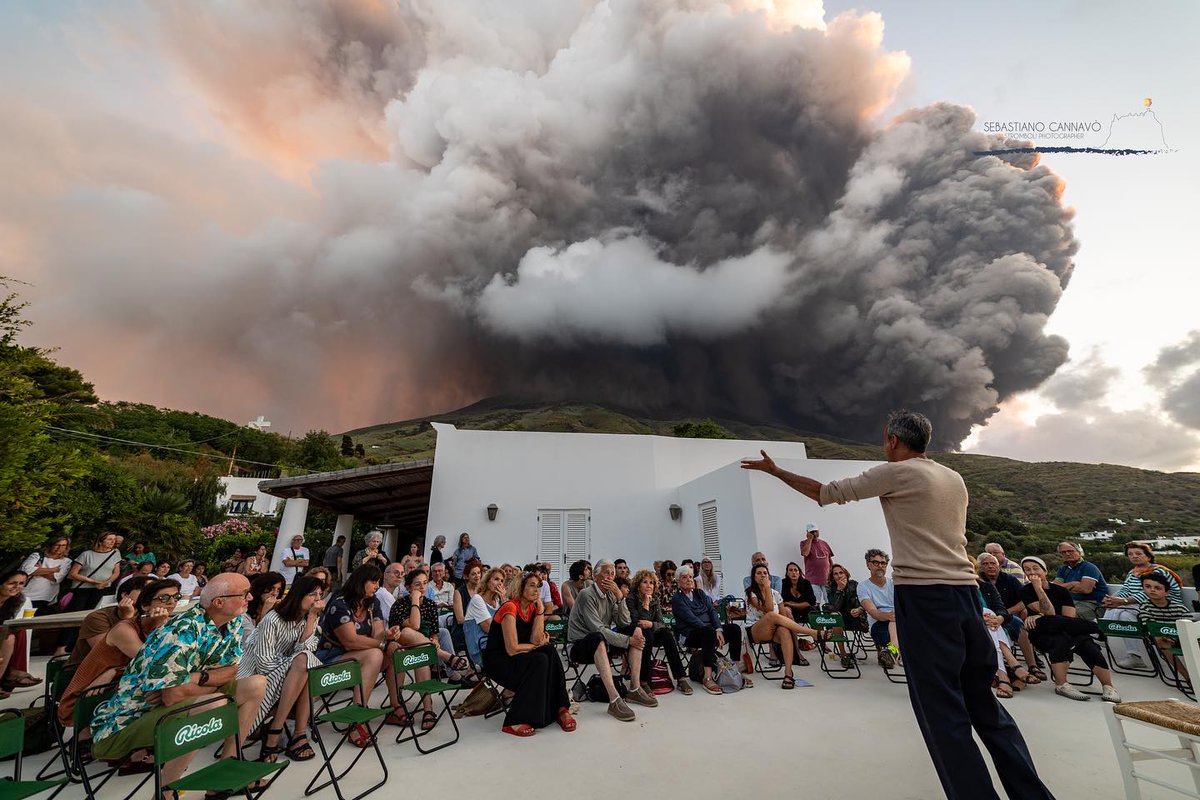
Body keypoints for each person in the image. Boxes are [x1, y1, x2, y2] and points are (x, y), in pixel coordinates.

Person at [743, 409, 1055, 800]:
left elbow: (826, 494)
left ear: (892, 440)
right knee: (985, 707)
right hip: (965, 594)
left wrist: (776, 472)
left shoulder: (897, 472)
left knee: (943, 714)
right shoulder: (953, 477)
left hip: (925, 598)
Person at [90, 573, 266, 797]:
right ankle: (165, 792)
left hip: (171, 707)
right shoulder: (181, 630)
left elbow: (231, 672)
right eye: (243, 594)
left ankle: (226, 770)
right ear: (218, 602)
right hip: (125, 723)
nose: (250, 597)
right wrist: (203, 681)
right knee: (214, 704)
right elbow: (173, 696)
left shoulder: (232, 624)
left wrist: (195, 678)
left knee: (256, 684)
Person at [59, 579, 180, 736]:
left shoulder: (164, 624)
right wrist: (161, 628)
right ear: (145, 606)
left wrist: (113, 671)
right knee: (168, 693)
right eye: (164, 598)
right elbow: (154, 665)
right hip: (87, 698)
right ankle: (99, 740)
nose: (171, 602)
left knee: (172, 690)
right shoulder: (125, 628)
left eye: (176, 597)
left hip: (119, 686)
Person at [241, 574, 325, 764]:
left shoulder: (308, 620)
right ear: (299, 595)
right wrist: (292, 664)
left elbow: (307, 650)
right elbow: (263, 663)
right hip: (255, 676)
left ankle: (291, 732)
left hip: (290, 675)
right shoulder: (273, 619)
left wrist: (312, 617)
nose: (318, 600)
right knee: (304, 663)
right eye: (313, 594)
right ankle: (282, 732)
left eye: (320, 595)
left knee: (306, 663)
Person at [484, 570, 575, 737]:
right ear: (520, 587)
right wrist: (536, 646)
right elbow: (511, 649)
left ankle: (561, 707)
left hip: (519, 657)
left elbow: (535, 639)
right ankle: (515, 720)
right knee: (540, 659)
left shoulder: (533, 608)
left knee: (548, 650)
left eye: (538, 586)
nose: (537, 590)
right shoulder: (510, 607)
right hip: (499, 662)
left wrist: (540, 611)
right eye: (532, 585)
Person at [1018, 556, 1119, 703]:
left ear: (1044, 570)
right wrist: (1038, 589)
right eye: (1027, 569)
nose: (1032, 572)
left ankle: (1108, 686)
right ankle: (1061, 685)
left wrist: (1042, 616)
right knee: (1056, 635)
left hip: (1066, 628)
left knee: (1086, 643)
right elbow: (1050, 612)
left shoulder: (1061, 591)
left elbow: (1069, 617)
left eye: (1035, 568)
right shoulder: (1026, 591)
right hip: (1042, 633)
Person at [567, 560, 657, 721]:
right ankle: (614, 699)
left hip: (603, 642)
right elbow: (598, 629)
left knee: (635, 631)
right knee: (599, 638)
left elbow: (624, 622)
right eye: (607, 573)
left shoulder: (610, 595)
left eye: (613, 574)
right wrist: (628, 641)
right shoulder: (586, 595)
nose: (611, 577)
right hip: (580, 645)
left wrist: (620, 598)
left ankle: (635, 688)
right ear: (595, 576)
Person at [388, 568, 470, 729]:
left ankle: (428, 709)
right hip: (401, 646)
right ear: (409, 587)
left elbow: (434, 632)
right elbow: (414, 625)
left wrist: (435, 640)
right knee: (408, 632)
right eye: (417, 584)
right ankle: (445, 656)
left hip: (422, 648)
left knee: (423, 654)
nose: (422, 587)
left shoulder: (431, 605)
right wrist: (415, 601)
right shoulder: (399, 604)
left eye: (425, 583)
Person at [315, 565, 390, 737]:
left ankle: (396, 705)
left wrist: (387, 636)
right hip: (328, 659)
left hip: (355, 658)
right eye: (373, 581)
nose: (377, 586)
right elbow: (350, 641)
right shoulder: (339, 604)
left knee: (393, 651)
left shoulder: (372, 602)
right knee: (376, 653)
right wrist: (379, 644)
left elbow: (378, 633)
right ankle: (357, 717)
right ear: (360, 581)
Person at [1101, 542, 1183, 670]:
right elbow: (1125, 590)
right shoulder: (1132, 573)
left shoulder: (1159, 571)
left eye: (1138, 553)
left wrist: (1123, 601)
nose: (1134, 556)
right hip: (1141, 606)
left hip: (1163, 607)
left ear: (1148, 556)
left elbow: (1150, 593)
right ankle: (1130, 653)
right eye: (1130, 554)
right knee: (1120, 610)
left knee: (1125, 612)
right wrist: (1113, 599)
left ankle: (1106, 635)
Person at [672, 565, 743, 695]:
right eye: (684, 577)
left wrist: (719, 629)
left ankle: (734, 671)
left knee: (734, 629)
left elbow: (712, 611)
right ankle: (707, 677)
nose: (689, 580)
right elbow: (691, 619)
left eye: (690, 577)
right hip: (690, 634)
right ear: (678, 581)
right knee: (707, 632)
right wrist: (713, 630)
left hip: (710, 632)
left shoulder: (699, 593)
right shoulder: (677, 599)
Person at [747, 564, 818, 688]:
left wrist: (770, 590)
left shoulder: (776, 594)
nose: (763, 575)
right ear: (754, 577)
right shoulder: (751, 593)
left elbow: (783, 616)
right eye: (759, 573)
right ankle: (812, 632)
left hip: (774, 631)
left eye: (765, 573)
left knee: (784, 630)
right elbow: (768, 608)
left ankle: (788, 673)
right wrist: (767, 587)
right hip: (756, 630)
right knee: (770, 615)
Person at [626, 569, 692, 695]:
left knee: (667, 634)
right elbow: (636, 622)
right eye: (645, 582)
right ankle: (644, 681)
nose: (649, 585)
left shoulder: (655, 599)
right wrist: (645, 604)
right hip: (636, 633)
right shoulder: (631, 599)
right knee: (648, 635)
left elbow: (661, 623)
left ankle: (680, 678)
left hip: (651, 630)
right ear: (638, 584)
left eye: (651, 583)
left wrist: (651, 624)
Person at [67, 576, 153, 666]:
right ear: (125, 595)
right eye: (145, 591)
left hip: (127, 669)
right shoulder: (98, 618)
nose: (150, 596)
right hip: (87, 670)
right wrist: (127, 619)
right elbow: (107, 654)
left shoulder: (145, 616)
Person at [62, 532, 123, 651]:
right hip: (83, 589)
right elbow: (73, 573)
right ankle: (63, 646)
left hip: (102, 589)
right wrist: (92, 581)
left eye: (114, 539)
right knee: (74, 617)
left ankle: (81, 646)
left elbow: (116, 572)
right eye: (109, 539)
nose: (113, 542)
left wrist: (106, 582)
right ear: (100, 541)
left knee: (92, 618)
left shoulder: (115, 554)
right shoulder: (86, 554)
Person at [978, 553, 1038, 674]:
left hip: (1007, 614)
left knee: (1020, 625)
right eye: (985, 564)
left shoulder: (1010, 579)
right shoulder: (979, 583)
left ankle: (1032, 665)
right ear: (980, 568)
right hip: (985, 618)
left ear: (999, 566)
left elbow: (1025, 600)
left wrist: (1005, 614)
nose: (990, 566)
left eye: (993, 563)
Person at [1137, 571, 1193, 681]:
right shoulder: (1145, 607)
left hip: (1181, 637)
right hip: (1160, 638)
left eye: (1157, 588)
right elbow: (1150, 627)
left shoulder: (1179, 608)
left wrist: (1175, 636)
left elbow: (1188, 625)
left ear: (1166, 592)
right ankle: (1189, 678)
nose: (1152, 590)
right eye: (1148, 586)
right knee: (1161, 640)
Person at [857, 549, 900, 668]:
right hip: (879, 624)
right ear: (868, 565)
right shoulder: (863, 587)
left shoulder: (894, 584)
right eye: (876, 563)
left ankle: (892, 650)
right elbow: (873, 612)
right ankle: (894, 649)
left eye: (883, 563)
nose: (880, 566)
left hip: (898, 620)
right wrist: (890, 616)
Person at [1052, 541, 1108, 622]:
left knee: (1066, 615)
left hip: (1092, 604)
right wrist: (1073, 584)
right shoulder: (1063, 569)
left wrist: (1064, 587)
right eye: (1063, 552)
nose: (1067, 554)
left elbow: (1085, 589)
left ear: (1079, 552)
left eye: (1070, 551)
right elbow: (1055, 588)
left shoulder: (1089, 567)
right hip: (1072, 602)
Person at [824, 564, 866, 668]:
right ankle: (844, 655)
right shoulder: (830, 587)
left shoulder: (854, 584)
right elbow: (833, 607)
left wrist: (859, 609)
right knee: (835, 616)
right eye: (835, 574)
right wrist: (839, 590)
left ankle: (883, 652)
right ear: (832, 577)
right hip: (839, 619)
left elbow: (864, 602)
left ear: (845, 573)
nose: (839, 576)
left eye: (841, 572)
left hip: (854, 617)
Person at [0, 570, 34, 697]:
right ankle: (13, 672)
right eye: (12, 583)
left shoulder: (18, 599)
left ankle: (12, 672)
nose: (17, 587)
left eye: (21, 583)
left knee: (16, 632)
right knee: (11, 635)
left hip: (2, 633)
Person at [20, 535, 72, 612]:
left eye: (63, 545)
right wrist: (53, 569)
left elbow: (57, 578)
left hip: (45, 596)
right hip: (25, 593)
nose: (59, 547)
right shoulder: (37, 556)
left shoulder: (66, 561)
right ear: (51, 545)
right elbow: (26, 571)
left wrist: (38, 570)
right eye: (57, 545)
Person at [244, 572, 286, 642]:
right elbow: (252, 640)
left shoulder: (276, 611)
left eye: (278, 590)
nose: (275, 593)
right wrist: (265, 610)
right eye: (271, 588)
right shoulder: (245, 612)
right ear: (261, 588)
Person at [467, 567, 508, 635]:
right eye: (496, 579)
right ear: (487, 581)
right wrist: (505, 606)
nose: (499, 583)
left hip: (496, 642)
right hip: (481, 643)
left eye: (502, 581)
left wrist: (505, 603)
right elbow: (490, 629)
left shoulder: (498, 601)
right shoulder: (477, 599)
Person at [801, 524, 834, 606]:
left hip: (827, 579)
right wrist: (809, 539)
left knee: (830, 601)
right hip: (812, 580)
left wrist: (832, 572)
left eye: (816, 531)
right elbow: (805, 553)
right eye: (812, 532)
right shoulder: (803, 543)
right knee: (815, 603)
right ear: (808, 532)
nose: (815, 534)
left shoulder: (824, 543)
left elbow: (829, 560)